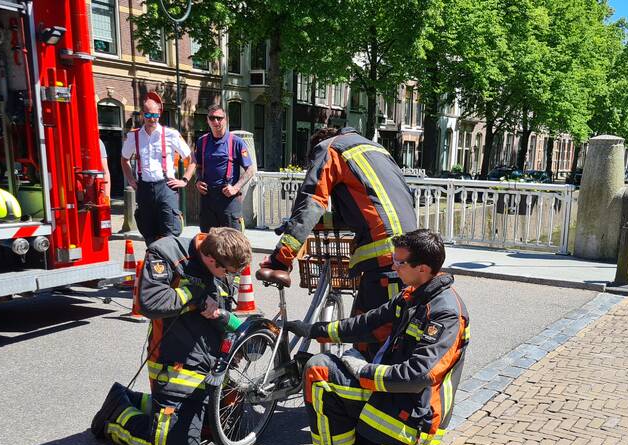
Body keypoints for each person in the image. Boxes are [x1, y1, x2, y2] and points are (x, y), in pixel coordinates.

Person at [282, 230, 469, 445]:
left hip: (415, 414)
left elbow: (417, 376)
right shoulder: (414, 295)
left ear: (423, 268)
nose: (393, 265)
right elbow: (365, 324)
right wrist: (313, 331)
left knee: (317, 370)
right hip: (402, 402)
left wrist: (363, 370)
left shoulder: (445, 314)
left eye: (399, 262)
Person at [91, 227, 253, 445]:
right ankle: (115, 413)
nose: (231, 277)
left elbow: (219, 308)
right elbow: (150, 302)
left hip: (211, 366)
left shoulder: (223, 264)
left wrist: (230, 329)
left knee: (234, 422)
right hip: (175, 365)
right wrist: (193, 294)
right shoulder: (166, 253)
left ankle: (143, 402)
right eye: (229, 272)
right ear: (211, 259)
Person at [261, 126, 418, 358]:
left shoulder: (329, 149)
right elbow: (365, 207)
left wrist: (279, 260)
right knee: (369, 331)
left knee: (378, 339)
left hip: (388, 261)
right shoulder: (376, 149)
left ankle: (365, 388)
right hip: (408, 254)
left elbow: (311, 204)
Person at [120, 92, 194, 242]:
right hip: (145, 189)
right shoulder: (134, 136)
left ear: (160, 113)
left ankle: (170, 264)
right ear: (142, 115)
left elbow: (191, 159)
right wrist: (131, 180)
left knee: (170, 232)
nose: (152, 119)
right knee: (148, 232)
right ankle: (154, 263)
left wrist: (184, 180)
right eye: (148, 115)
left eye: (155, 115)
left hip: (166, 187)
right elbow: (124, 160)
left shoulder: (171, 134)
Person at [194, 104, 255, 232]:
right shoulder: (202, 141)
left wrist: (236, 188)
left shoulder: (236, 142)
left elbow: (250, 169)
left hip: (228, 199)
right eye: (212, 118)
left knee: (232, 242)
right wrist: (198, 181)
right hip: (208, 198)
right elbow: (197, 166)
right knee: (207, 242)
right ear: (207, 120)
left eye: (219, 118)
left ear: (225, 119)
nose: (216, 122)